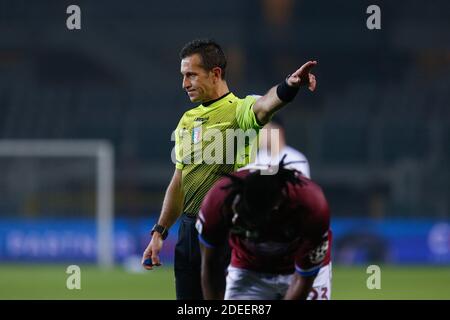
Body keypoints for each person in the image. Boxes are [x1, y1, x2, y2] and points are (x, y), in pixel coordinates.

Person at [141, 38, 317, 300]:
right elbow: (179, 181)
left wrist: (289, 85)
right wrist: (159, 232)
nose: (184, 83)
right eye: (182, 75)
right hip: (188, 234)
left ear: (215, 74)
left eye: (191, 75)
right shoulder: (186, 121)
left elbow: (267, 104)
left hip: (226, 231)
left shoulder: (240, 110)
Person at [196, 158, 332, 300]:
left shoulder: (312, 207)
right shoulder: (217, 202)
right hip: (248, 268)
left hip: (297, 267)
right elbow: (211, 266)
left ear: (276, 210)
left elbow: (304, 279)